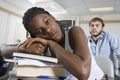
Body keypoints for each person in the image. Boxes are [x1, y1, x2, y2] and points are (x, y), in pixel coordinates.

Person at [0, 7, 105, 80]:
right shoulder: (40, 45)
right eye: (39, 31)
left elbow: (83, 74)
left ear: (53, 18)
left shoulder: (74, 32)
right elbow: (3, 49)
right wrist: (21, 48)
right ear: (35, 36)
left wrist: (51, 44)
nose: (48, 30)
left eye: (47, 22)